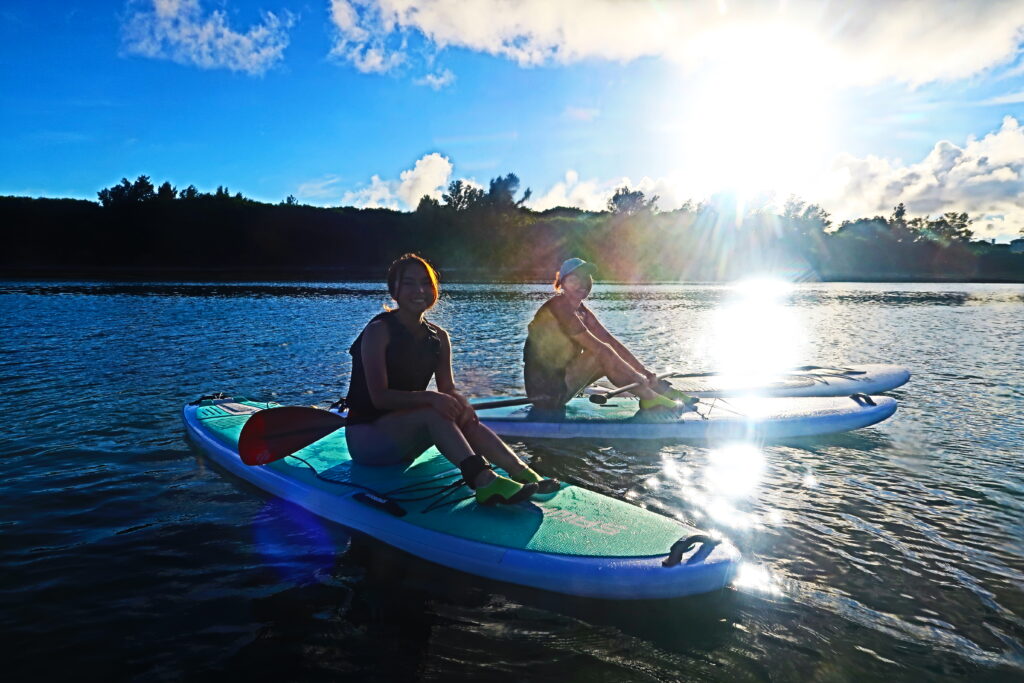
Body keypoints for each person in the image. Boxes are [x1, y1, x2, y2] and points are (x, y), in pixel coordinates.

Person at [345, 253, 557, 506]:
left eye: (426, 283)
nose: (419, 290)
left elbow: (448, 389)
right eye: (409, 283)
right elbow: (379, 398)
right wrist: (431, 398)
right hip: (368, 439)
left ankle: (521, 471)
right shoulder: (378, 331)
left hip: (404, 437)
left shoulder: (439, 337)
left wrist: (462, 404)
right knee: (433, 411)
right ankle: (485, 482)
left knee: (459, 412)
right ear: (394, 290)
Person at [524, 257, 684, 414]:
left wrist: (646, 373)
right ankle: (650, 397)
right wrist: (636, 375)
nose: (581, 284)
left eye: (585, 279)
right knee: (599, 354)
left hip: (563, 384)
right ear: (562, 284)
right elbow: (602, 350)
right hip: (546, 394)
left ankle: (656, 393)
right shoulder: (559, 307)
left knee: (609, 355)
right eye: (574, 279)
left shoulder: (582, 311)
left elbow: (611, 342)